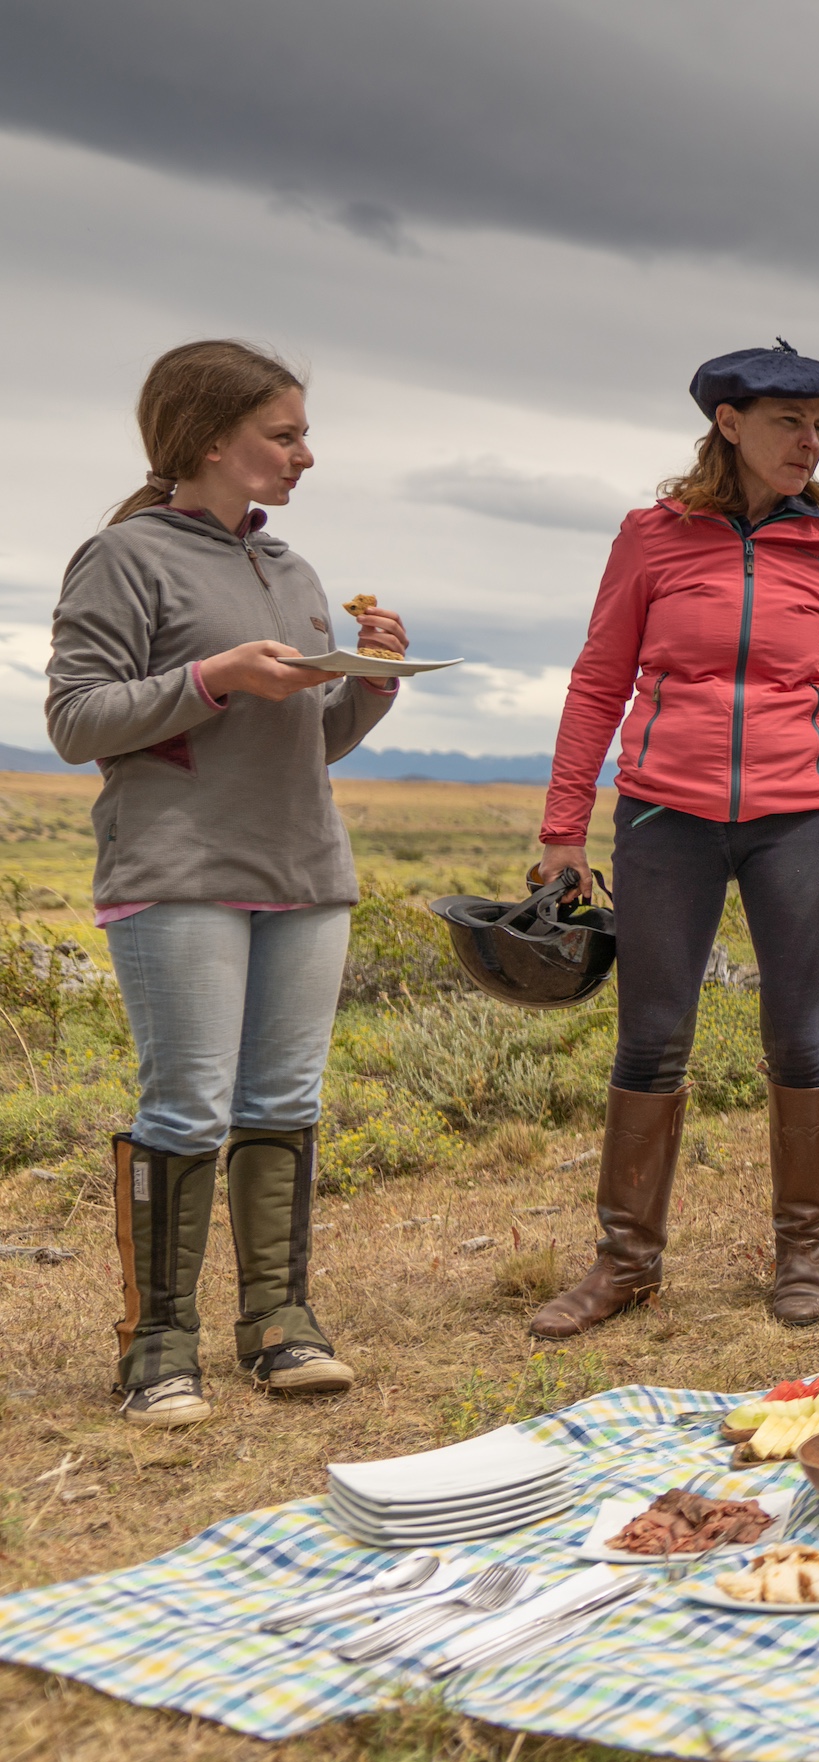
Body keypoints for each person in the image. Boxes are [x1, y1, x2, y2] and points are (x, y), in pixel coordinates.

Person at [529, 341, 819, 1337]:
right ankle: (625, 1263)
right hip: (667, 814)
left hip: (799, 817)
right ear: (729, 422)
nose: (812, 439)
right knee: (652, 1037)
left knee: (799, 1036)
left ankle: (801, 1256)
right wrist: (563, 827)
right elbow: (598, 679)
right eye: (791, 420)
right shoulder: (652, 537)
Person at [45, 338, 411, 1426]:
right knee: (188, 1106)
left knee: (284, 1103)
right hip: (179, 869)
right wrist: (215, 674)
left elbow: (306, 740)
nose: (307, 454)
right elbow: (75, 720)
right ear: (211, 437)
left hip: (303, 866)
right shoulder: (123, 557)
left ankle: (279, 1322)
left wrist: (373, 685)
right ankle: (157, 1345)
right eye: (285, 433)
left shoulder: (291, 572)